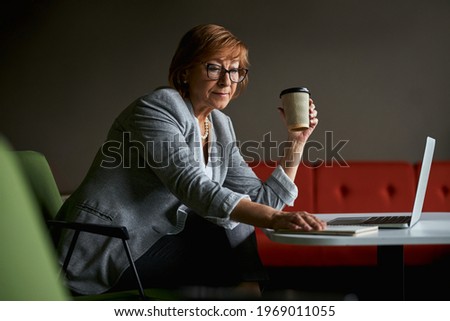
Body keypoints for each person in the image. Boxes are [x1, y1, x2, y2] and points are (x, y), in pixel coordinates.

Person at [54, 24, 325, 297]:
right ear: (185, 71)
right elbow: (192, 185)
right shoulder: (157, 107)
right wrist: (275, 218)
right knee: (221, 230)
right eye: (214, 68)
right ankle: (253, 296)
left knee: (236, 224)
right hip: (109, 247)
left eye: (234, 70)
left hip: (156, 244)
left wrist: (297, 141)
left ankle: (252, 294)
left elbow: (261, 202)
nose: (226, 81)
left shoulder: (219, 124)